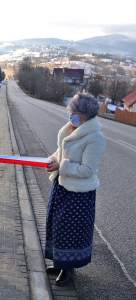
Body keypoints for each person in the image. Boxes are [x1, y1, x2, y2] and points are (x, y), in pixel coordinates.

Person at [45, 93, 106, 286]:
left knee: (70, 231)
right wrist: (53, 160)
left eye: (75, 112)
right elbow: (60, 152)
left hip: (78, 193)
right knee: (55, 225)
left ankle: (68, 269)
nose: (71, 115)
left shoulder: (95, 138)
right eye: (71, 111)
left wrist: (61, 166)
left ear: (85, 114)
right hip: (61, 187)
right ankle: (58, 261)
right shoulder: (72, 128)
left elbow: (87, 170)